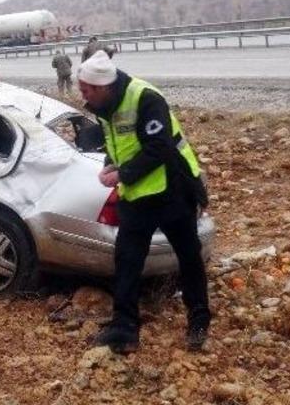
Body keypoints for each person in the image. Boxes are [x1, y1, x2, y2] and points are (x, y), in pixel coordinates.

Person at [77, 50, 211, 354]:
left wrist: (123, 173)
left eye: (85, 90)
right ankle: (124, 330)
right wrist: (111, 165)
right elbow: (119, 143)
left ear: (101, 87)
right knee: (126, 261)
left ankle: (199, 321)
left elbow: (159, 147)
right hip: (137, 196)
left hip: (172, 189)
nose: (81, 95)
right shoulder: (104, 106)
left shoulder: (146, 98)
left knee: (188, 257)